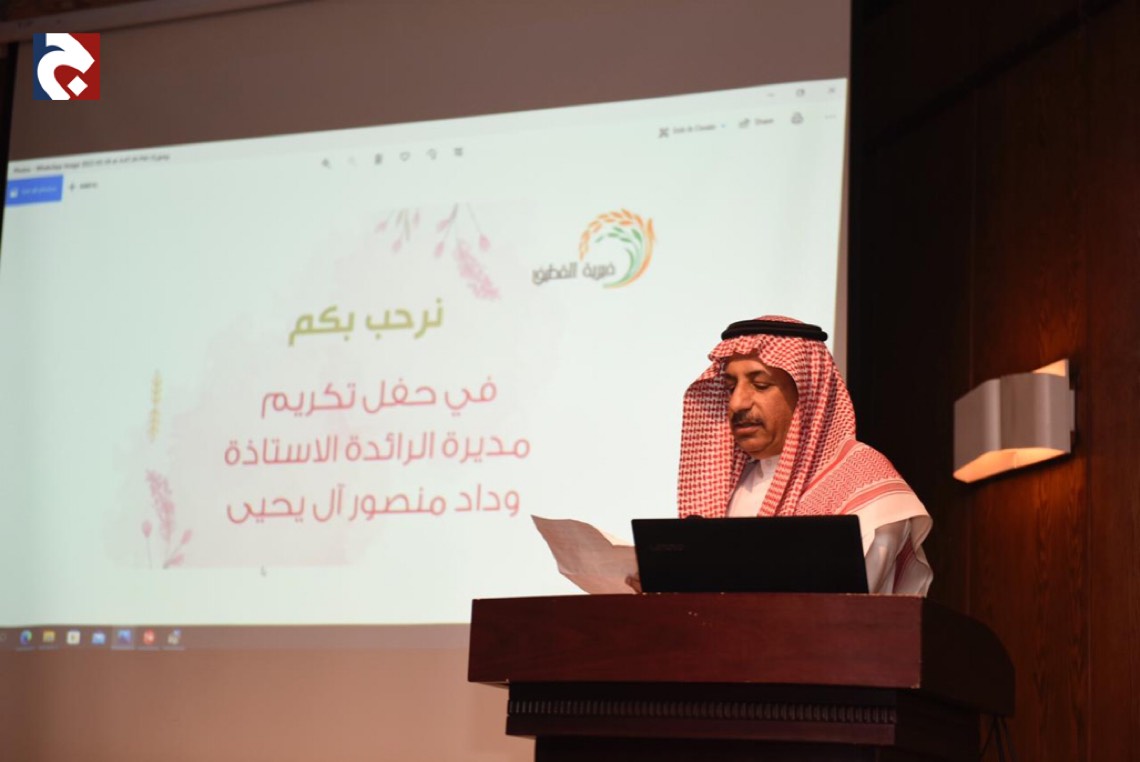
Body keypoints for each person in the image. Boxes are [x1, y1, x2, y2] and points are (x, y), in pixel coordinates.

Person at [676, 316, 932, 595]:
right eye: (730, 388)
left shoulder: (862, 479)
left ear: (807, 395)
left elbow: (850, 601)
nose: (737, 403)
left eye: (760, 385)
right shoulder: (733, 487)